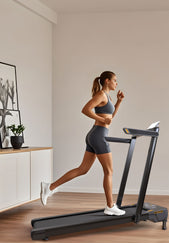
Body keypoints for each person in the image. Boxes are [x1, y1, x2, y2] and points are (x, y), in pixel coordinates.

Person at [40, 71, 126, 216]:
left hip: (95, 135)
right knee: (109, 171)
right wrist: (102, 119)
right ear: (106, 81)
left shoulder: (108, 97)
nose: (116, 83)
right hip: (99, 135)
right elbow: (85, 110)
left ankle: (50, 187)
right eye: (115, 80)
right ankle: (110, 206)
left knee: (83, 169)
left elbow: (110, 117)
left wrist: (118, 102)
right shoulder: (101, 95)